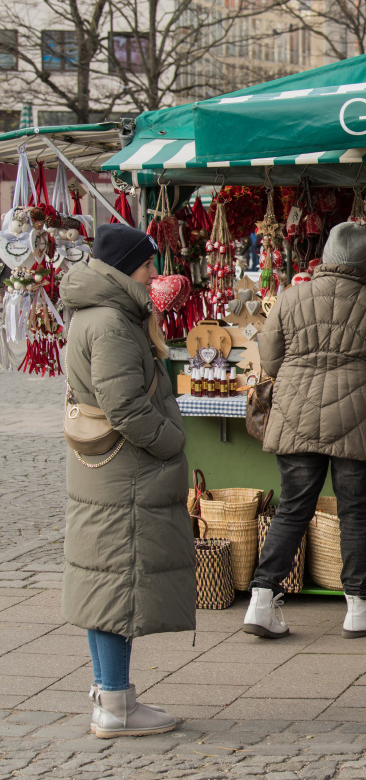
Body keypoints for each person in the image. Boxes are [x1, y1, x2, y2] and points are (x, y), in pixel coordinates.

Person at [244, 222, 366, 639]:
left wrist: (301, 379)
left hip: (296, 414)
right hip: (360, 419)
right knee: (355, 514)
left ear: (325, 256)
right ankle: (358, 608)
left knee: (292, 508)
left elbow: (269, 360)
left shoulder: (290, 297)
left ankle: (261, 603)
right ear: (363, 262)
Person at [61, 224, 194, 738]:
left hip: (106, 476)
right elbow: (125, 406)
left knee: (104, 584)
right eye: (146, 265)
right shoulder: (113, 324)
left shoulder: (96, 314)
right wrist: (171, 440)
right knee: (119, 586)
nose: (153, 273)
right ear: (123, 269)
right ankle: (116, 705)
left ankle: (108, 695)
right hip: (126, 476)